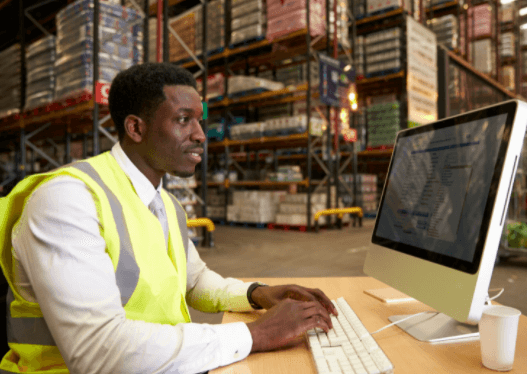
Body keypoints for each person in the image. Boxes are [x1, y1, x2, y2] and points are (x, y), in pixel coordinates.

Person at [0, 62, 338, 374]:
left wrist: (256, 293)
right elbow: (95, 351)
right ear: (135, 127)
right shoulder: (69, 201)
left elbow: (193, 281)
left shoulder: (165, 204)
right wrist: (255, 334)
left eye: (199, 120)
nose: (200, 134)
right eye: (183, 119)